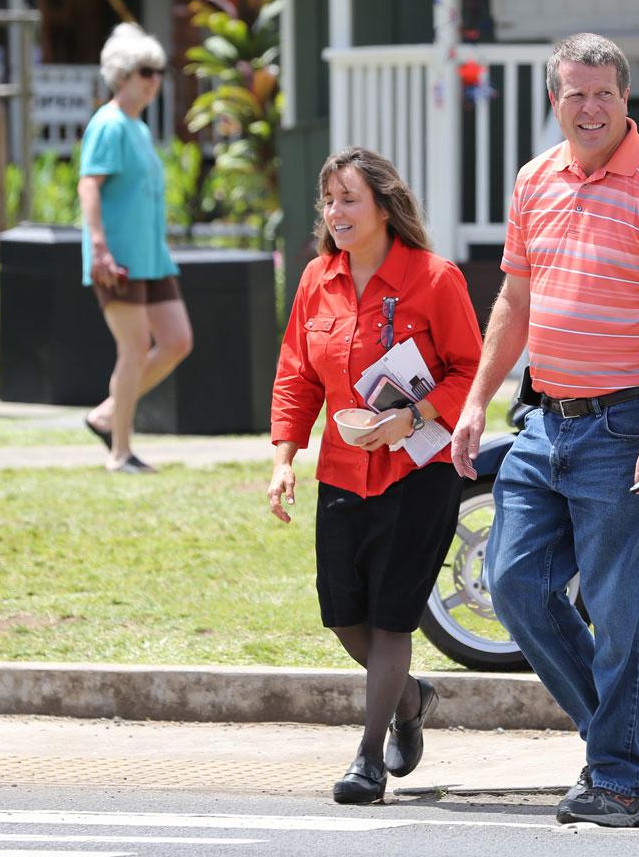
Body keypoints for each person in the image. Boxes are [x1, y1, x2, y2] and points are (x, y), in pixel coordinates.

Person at [451, 33, 639, 829]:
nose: (590, 107)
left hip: (631, 421)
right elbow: (512, 305)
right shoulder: (535, 180)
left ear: (625, 98)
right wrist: (473, 401)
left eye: (603, 93)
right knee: (514, 583)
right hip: (546, 419)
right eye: (575, 93)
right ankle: (623, 728)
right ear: (554, 101)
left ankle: (627, 783)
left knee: (620, 610)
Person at [267, 146, 482, 805]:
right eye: (329, 200)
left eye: (349, 198)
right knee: (343, 615)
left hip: (419, 474)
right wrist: (283, 458)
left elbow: (470, 371)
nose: (335, 212)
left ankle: (368, 760)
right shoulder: (315, 281)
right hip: (342, 471)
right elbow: (297, 375)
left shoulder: (435, 278)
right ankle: (411, 699)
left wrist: (413, 415)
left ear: (385, 206)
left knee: (393, 620)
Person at [78, 23, 192, 473]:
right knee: (133, 347)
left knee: (177, 340)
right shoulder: (108, 125)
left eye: (159, 71)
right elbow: (89, 185)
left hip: (150, 257)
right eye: (146, 71)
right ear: (122, 74)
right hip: (118, 258)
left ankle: (107, 414)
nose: (154, 80)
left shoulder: (139, 129)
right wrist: (100, 247)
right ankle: (120, 451)